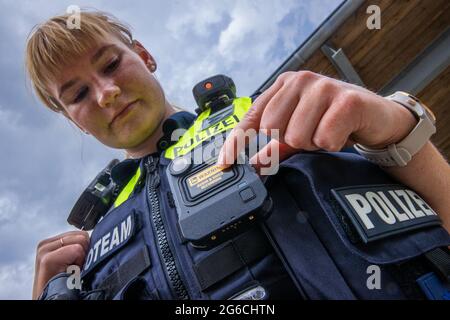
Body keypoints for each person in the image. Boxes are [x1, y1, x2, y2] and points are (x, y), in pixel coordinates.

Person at [26, 10, 450, 300]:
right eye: (78, 94)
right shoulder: (91, 249)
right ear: (73, 121)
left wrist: (395, 125)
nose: (106, 94)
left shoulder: (276, 112)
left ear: (145, 56)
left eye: (110, 64)